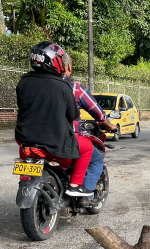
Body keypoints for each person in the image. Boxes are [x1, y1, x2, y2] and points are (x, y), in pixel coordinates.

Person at [14, 41, 92, 197]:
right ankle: (75, 185)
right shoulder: (63, 86)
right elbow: (72, 115)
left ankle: (27, 179)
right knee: (88, 147)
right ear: (54, 60)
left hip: (26, 143)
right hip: (56, 146)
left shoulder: (23, 82)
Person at [61, 55, 116, 195]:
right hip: (65, 140)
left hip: (34, 139)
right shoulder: (75, 88)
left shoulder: (36, 87)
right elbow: (99, 114)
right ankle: (86, 193)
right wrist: (110, 126)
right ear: (68, 67)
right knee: (95, 158)